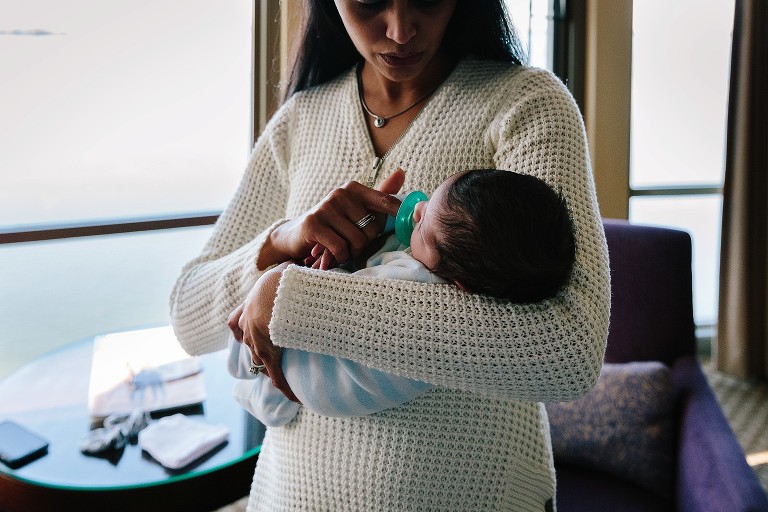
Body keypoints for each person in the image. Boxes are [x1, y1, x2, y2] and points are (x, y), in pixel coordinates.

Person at [169, 1, 610, 510]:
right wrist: (279, 240)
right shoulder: (301, 121)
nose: (401, 31)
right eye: (370, 1)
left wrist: (292, 299)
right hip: (289, 497)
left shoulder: (526, 104)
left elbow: (567, 352)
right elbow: (187, 316)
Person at [227, 169, 576, 427]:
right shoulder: (456, 266)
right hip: (321, 397)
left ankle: (252, 382)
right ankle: (267, 397)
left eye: (422, 225)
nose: (417, 208)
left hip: (323, 379)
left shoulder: (418, 290)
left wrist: (282, 278)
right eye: (431, 199)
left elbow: (349, 289)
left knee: (255, 349)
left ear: (459, 285)